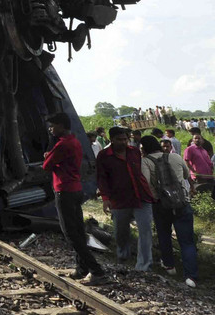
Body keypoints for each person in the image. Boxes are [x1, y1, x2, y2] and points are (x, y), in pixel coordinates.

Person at [42, 112, 107, 284]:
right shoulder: (75, 141)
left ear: (61, 126)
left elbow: (46, 166)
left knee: (70, 233)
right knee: (78, 230)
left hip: (64, 191)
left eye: (53, 125)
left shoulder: (62, 145)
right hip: (76, 189)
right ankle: (81, 269)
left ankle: (97, 271)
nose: (50, 128)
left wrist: (47, 156)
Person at [140, 135, 198, 288]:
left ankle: (169, 266)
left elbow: (144, 183)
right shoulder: (175, 157)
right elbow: (186, 175)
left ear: (144, 148)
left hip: (160, 205)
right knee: (187, 242)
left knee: (164, 235)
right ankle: (191, 276)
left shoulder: (145, 161)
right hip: (181, 203)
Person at [96, 127, 154, 271]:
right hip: (119, 199)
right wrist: (105, 198)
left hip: (141, 196)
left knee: (145, 230)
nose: (123, 142)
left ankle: (143, 266)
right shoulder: (104, 156)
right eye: (119, 140)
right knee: (121, 231)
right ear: (112, 140)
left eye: (125, 139)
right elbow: (101, 178)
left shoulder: (134, 152)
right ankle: (123, 256)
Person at [183, 128, 214, 192]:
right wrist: (194, 172)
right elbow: (186, 161)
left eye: (199, 138)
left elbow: (209, 162)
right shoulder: (190, 149)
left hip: (209, 175)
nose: (197, 140)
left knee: (211, 191)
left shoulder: (204, 150)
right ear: (192, 140)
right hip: (199, 176)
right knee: (200, 191)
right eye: (195, 138)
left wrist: (212, 168)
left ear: (202, 140)